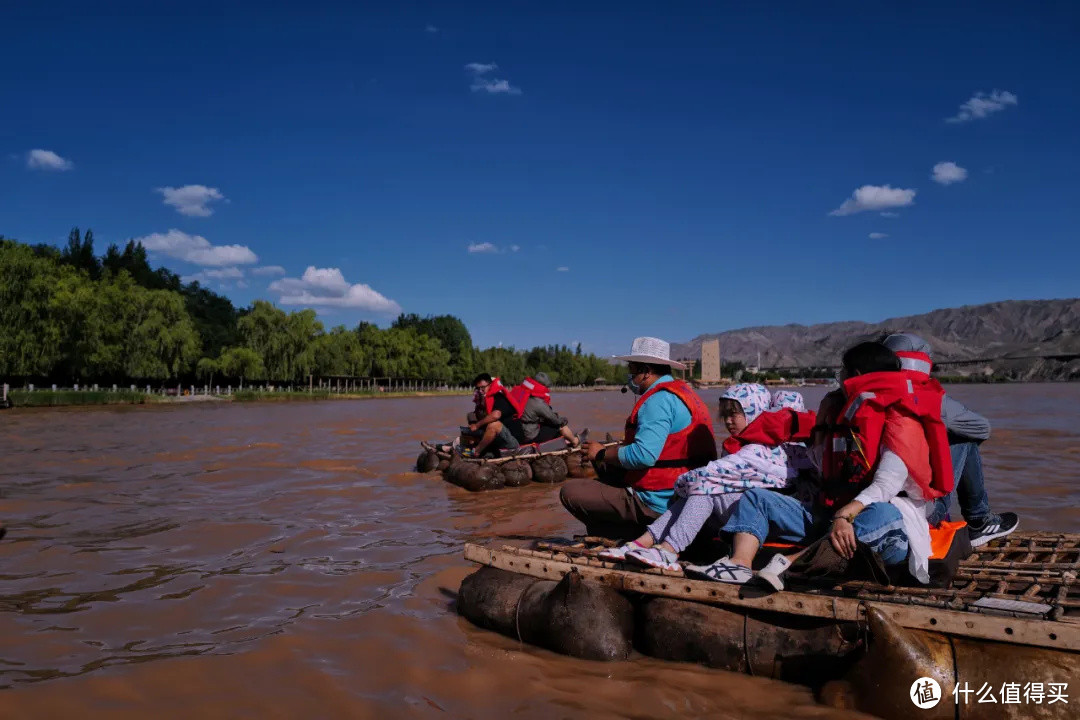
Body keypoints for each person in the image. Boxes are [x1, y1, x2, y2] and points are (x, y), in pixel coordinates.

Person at [687, 341, 953, 591]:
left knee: (884, 514)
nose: (839, 376)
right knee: (757, 499)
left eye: (842, 370)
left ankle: (789, 563)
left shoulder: (902, 418)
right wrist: (817, 438)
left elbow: (888, 484)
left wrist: (844, 516)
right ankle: (739, 565)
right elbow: (821, 464)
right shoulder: (845, 412)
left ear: (854, 373)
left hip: (881, 522)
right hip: (830, 516)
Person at [599, 386, 814, 571]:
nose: (728, 421)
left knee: (705, 490)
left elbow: (708, 476)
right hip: (763, 513)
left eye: (735, 414)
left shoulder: (761, 450)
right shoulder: (760, 444)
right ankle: (644, 543)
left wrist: (681, 485)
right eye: (725, 415)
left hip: (763, 518)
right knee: (705, 490)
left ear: (755, 412)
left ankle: (669, 550)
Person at [559, 337, 717, 540]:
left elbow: (644, 456)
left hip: (660, 499)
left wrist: (600, 452)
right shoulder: (684, 393)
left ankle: (629, 532)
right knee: (604, 467)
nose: (630, 377)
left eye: (633, 371)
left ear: (646, 372)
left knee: (570, 492)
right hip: (685, 492)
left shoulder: (657, 401)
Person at [882, 332, 1018, 546]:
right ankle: (979, 521)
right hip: (917, 515)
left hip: (870, 510)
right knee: (964, 438)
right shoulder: (930, 399)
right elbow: (982, 428)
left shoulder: (859, 397)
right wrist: (938, 443)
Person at [506, 372, 582, 447]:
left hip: (513, 433)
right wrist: (563, 420)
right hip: (528, 435)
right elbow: (555, 420)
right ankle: (575, 441)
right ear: (543, 386)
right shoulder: (538, 402)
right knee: (561, 427)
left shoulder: (519, 393)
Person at [461, 373, 521, 458]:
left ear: (490, 385)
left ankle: (476, 452)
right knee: (468, 426)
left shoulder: (499, 397)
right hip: (498, 440)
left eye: (483, 387)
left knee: (494, 425)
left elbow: (496, 415)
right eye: (478, 388)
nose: (480, 391)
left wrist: (477, 425)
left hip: (511, 442)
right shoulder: (484, 400)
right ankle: (466, 448)